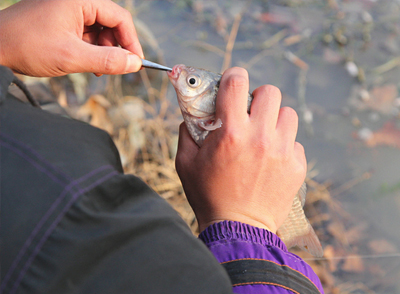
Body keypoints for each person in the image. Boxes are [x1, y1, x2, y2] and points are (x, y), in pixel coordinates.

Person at [0, 0, 324, 293]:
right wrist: (243, 225)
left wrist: (4, 39)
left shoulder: (52, 170)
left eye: (193, 83)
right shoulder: (73, 203)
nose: (185, 79)